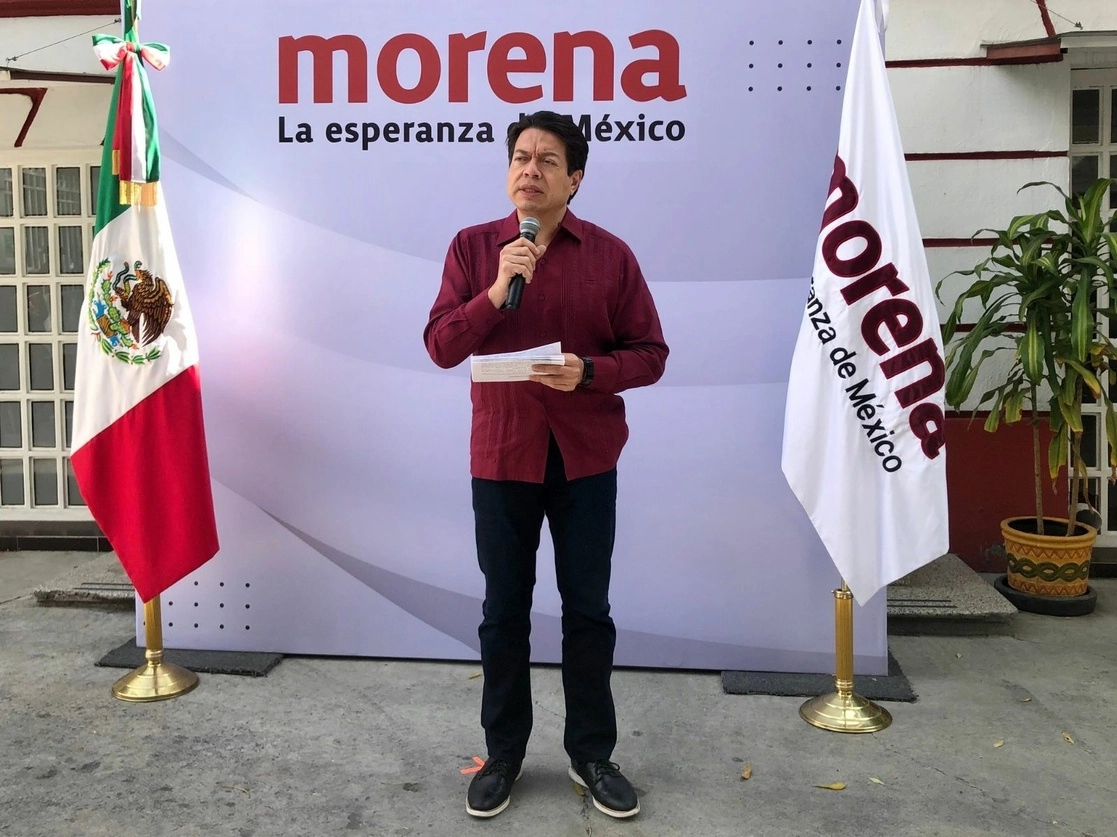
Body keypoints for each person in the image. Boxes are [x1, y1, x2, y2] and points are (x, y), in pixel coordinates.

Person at [423, 110, 669, 820]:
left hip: (586, 458)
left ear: (575, 179)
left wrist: (589, 370)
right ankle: (502, 753)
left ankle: (592, 753)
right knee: (503, 611)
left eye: (546, 161)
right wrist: (498, 290)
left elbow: (650, 353)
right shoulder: (475, 249)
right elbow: (441, 344)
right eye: (520, 158)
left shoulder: (612, 256)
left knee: (587, 611)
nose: (529, 170)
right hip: (501, 457)